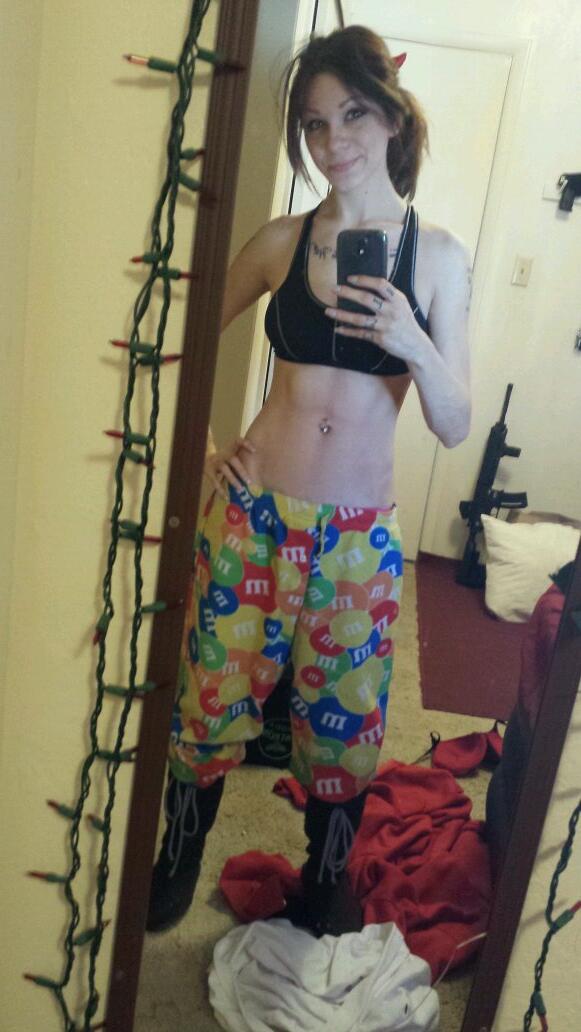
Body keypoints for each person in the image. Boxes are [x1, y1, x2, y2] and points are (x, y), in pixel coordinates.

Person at [146, 24, 471, 938]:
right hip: (250, 514)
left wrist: (411, 341)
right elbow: (180, 338)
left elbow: (452, 421)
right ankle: (178, 855)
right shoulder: (281, 241)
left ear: (392, 117)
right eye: (315, 124)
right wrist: (206, 449)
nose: (334, 142)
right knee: (211, 695)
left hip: (357, 534)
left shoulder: (438, 257)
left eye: (353, 114)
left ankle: (325, 874)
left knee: (345, 718)